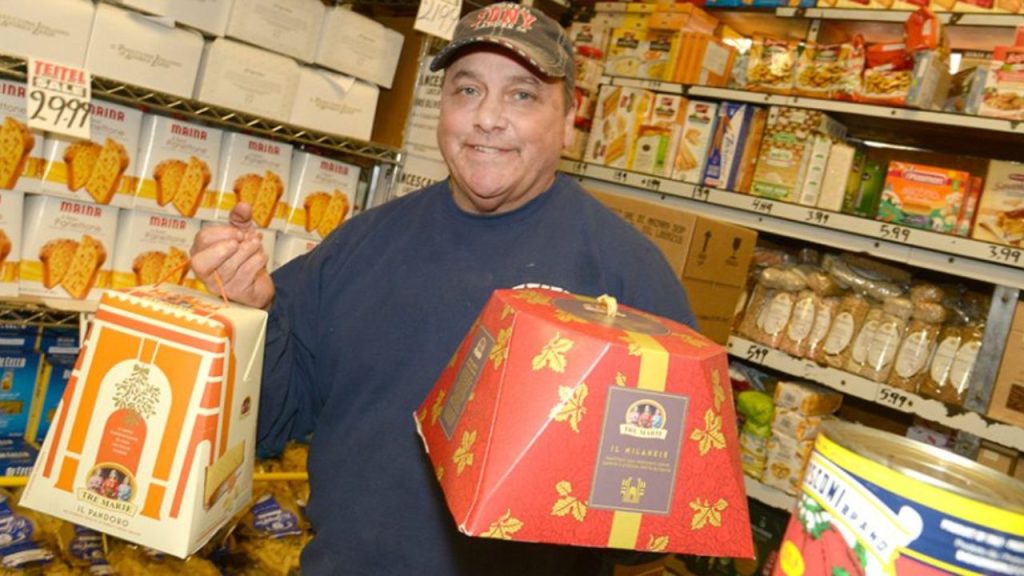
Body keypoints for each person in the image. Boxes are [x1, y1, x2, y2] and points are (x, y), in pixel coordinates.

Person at [190, 3, 695, 574]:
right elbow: (270, 422)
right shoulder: (361, 245)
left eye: (522, 95)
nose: (488, 118)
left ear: (570, 118)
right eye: (467, 90)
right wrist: (250, 312)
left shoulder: (627, 276)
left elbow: (650, 529)